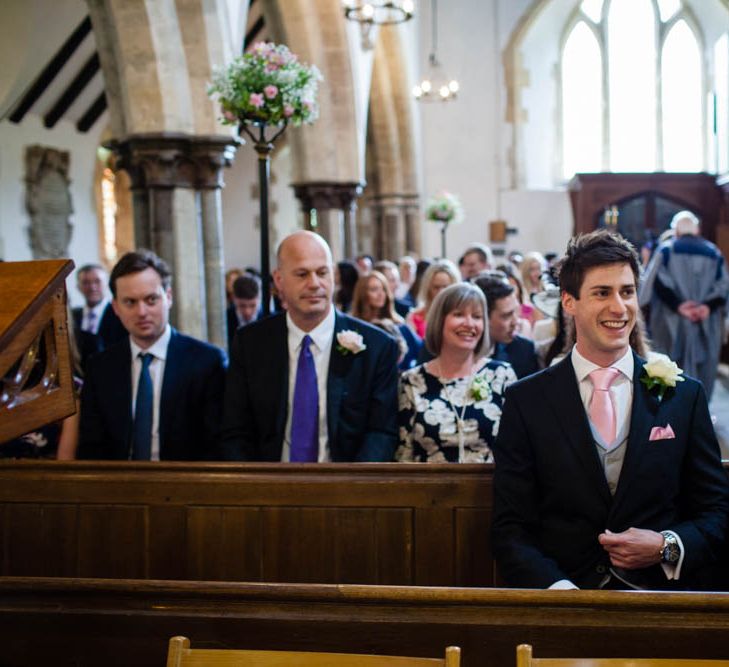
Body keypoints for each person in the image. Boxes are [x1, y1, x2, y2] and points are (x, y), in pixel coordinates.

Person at [492, 230, 729, 590]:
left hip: (659, 601)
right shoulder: (527, 401)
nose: (619, 307)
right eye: (602, 293)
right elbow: (511, 527)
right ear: (569, 302)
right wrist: (559, 591)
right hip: (563, 599)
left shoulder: (684, 396)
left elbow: (717, 512)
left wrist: (666, 546)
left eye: (627, 291)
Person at [220, 231, 399, 462]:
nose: (314, 283)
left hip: (347, 486)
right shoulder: (251, 343)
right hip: (270, 484)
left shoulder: (377, 347)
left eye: (322, 272)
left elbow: (382, 432)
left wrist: (352, 489)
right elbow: (235, 429)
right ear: (279, 280)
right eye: (302, 274)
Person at [78, 250, 227, 461]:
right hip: (118, 486)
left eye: (151, 299)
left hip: (185, 485)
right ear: (116, 307)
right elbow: (91, 446)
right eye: (130, 302)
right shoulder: (100, 367)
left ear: (168, 297)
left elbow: (216, 445)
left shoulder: (207, 362)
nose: (141, 312)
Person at [397, 283, 517, 463]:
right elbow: (404, 452)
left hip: (491, 488)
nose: (469, 324)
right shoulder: (412, 380)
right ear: (440, 320)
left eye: (477, 316)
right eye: (458, 314)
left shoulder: (501, 375)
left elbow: (516, 447)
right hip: (429, 488)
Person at [639, 211, 729, 399]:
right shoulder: (714, 252)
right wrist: (706, 307)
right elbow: (723, 286)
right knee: (703, 367)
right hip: (704, 320)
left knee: (669, 365)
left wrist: (679, 305)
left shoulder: (666, 250)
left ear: (676, 230)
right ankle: (700, 414)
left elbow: (654, 282)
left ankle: (670, 414)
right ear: (697, 230)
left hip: (672, 320)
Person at [350, 270, 422, 370]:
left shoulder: (400, 327)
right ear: (363, 294)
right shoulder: (354, 328)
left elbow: (422, 351)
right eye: (374, 289)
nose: (381, 294)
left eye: (383, 289)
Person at [472, 274, 540, 379]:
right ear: (482, 316)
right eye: (506, 316)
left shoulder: (523, 350)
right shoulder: (460, 349)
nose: (515, 322)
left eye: (516, 312)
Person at [71, 263, 126, 367]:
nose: (92, 287)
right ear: (78, 287)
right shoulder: (72, 317)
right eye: (86, 282)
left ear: (106, 284)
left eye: (97, 281)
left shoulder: (120, 313)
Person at [406, 259, 460, 339]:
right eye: (436, 287)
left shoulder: (463, 316)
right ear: (428, 288)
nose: (441, 292)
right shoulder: (415, 317)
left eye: (446, 287)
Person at [226, 273, 261, 348]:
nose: (247, 312)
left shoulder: (268, 317)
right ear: (233, 298)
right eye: (242, 306)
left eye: (252, 305)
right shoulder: (224, 320)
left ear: (258, 299)